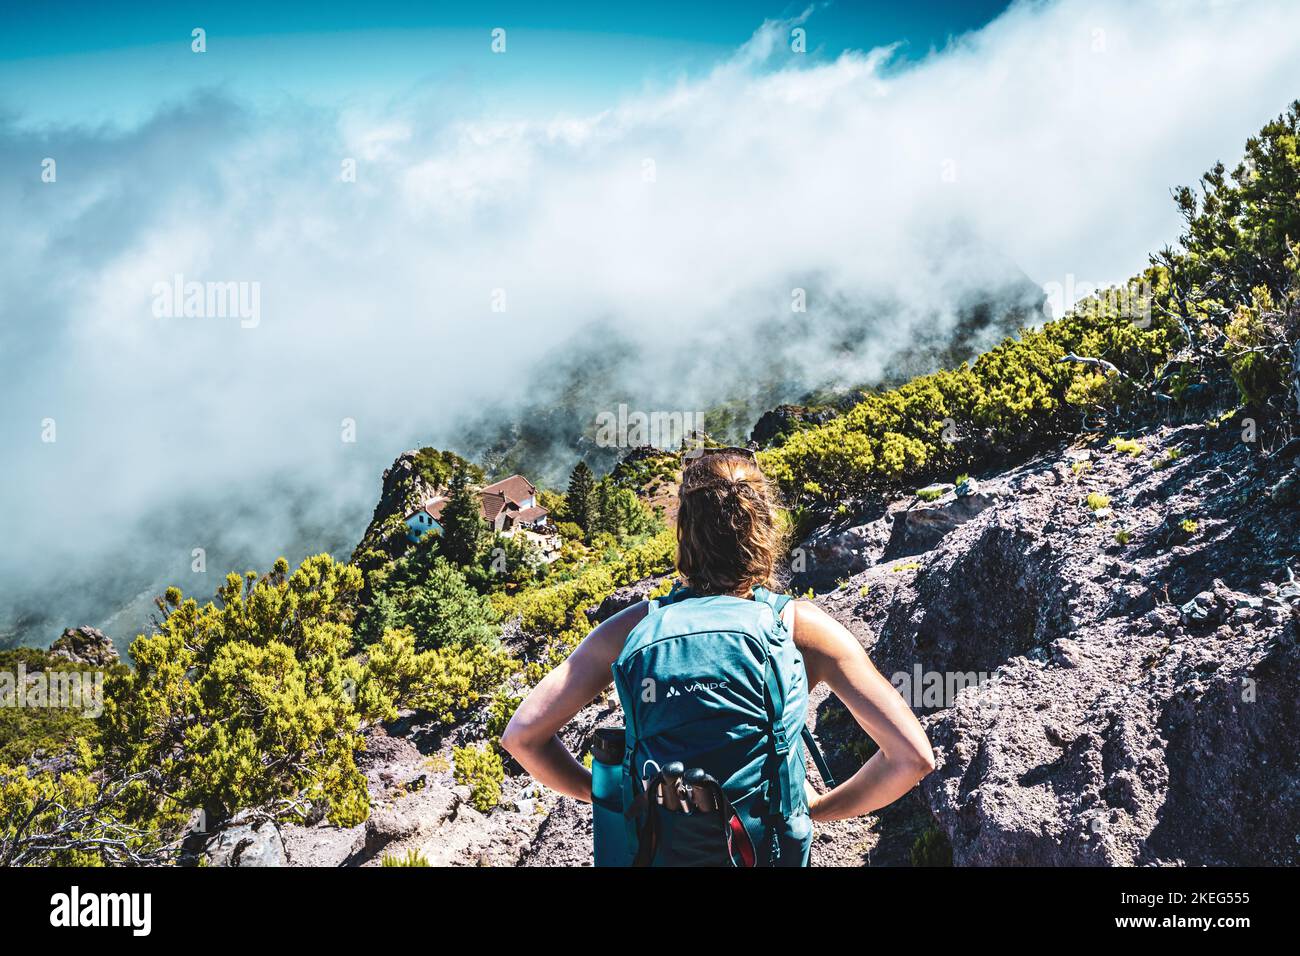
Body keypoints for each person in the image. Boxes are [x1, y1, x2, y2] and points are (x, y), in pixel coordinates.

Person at [502, 446, 935, 864]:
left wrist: (616, 795)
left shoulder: (635, 626)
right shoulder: (799, 627)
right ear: (766, 530)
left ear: (683, 534)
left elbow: (522, 737)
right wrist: (815, 810)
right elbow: (911, 758)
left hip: (660, 852)